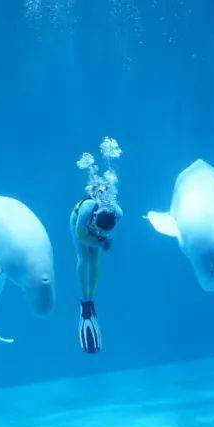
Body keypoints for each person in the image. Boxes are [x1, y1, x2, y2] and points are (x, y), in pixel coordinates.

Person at [73, 139, 123, 354]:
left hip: (94, 230)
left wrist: (102, 239)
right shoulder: (86, 211)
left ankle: (90, 297)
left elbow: (102, 237)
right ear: (95, 216)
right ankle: (84, 298)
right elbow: (81, 235)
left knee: (97, 260)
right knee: (84, 259)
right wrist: (99, 240)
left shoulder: (117, 213)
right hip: (78, 226)